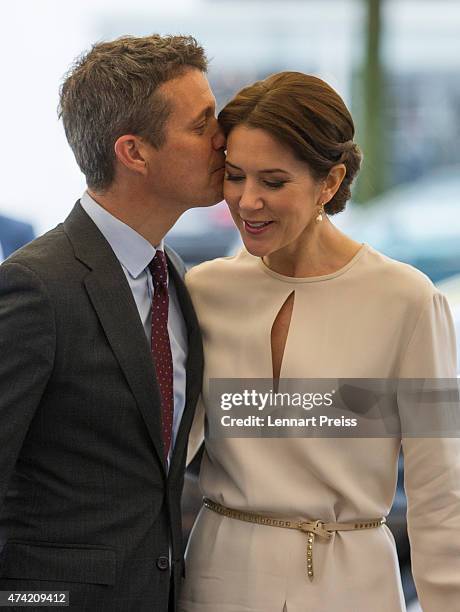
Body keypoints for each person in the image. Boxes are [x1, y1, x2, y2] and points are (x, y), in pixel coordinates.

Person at [179, 72, 459, 611]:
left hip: (356, 586)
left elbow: (440, 492)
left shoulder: (409, 299)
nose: (247, 201)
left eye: (274, 181)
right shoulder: (205, 288)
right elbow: (166, 453)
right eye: (235, 176)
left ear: (329, 183)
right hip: (219, 581)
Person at [0, 34, 225, 612]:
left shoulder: (174, 273)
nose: (224, 141)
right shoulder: (35, 286)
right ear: (134, 152)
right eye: (202, 125)